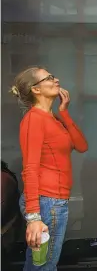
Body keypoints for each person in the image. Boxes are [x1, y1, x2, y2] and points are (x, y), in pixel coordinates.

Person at [10, 66, 88, 270]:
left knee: (42, 265)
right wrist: (34, 217)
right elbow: (30, 168)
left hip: (54, 202)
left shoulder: (52, 119)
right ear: (36, 89)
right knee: (43, 266)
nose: (56, 80)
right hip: (46, 203)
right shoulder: (34, 119)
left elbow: (81, 145)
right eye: (49, 78)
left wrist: (64, 112)